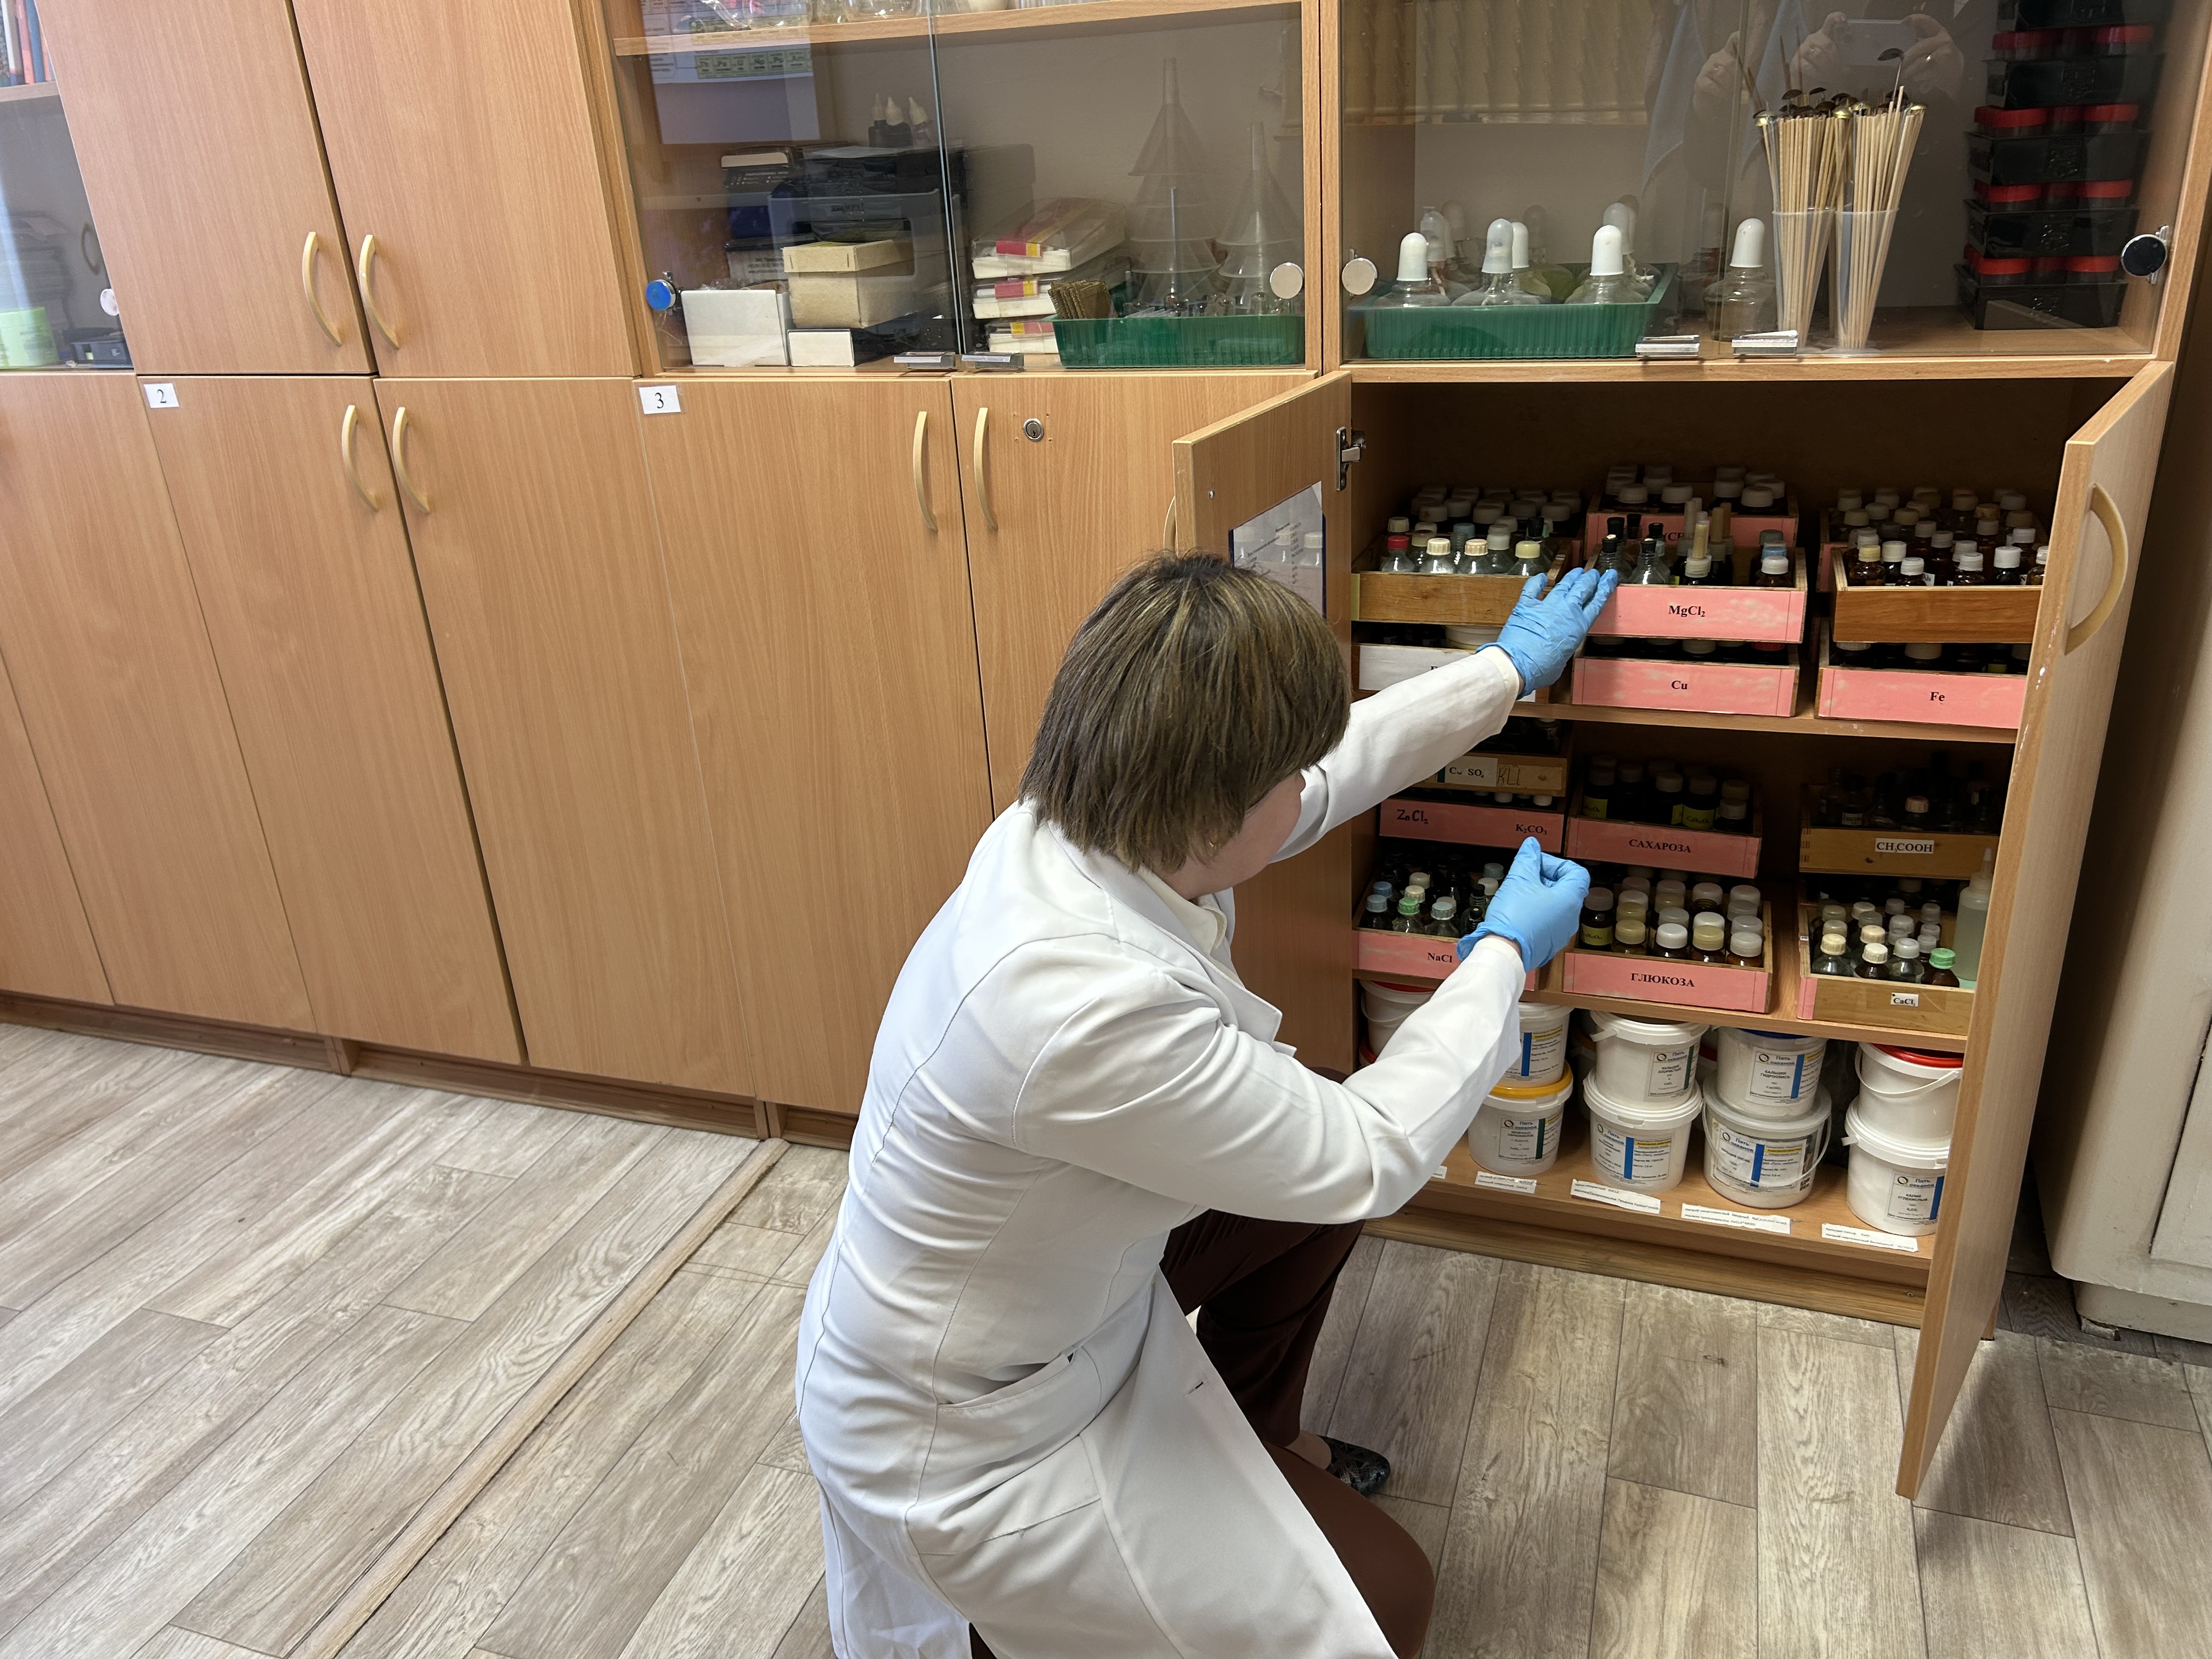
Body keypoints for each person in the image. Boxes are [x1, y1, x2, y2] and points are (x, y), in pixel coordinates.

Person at [796, 552, 1617, 1658]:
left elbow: (1317, 781)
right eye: (1290, 774)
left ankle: (1258, 1440)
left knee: (1305, 1201)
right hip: (976, 1431)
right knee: (1388, 1601)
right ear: (1217, 802)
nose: (1312, 785)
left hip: (1043, 1291)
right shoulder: (1077, 1002)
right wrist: (1502, 955)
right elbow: (1373, 1149)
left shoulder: (1087, 820)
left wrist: (1503, 673)